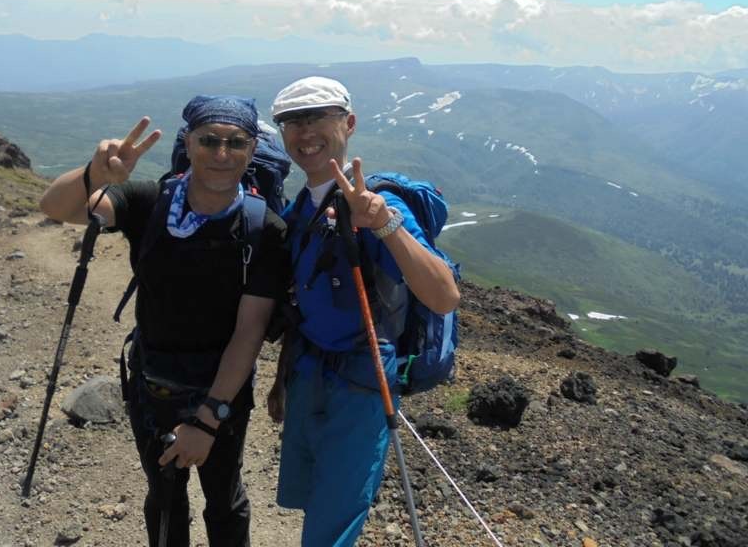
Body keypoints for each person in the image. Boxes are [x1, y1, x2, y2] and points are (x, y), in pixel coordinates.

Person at [39, 96, 288, 547]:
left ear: (252, 150)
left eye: (236, 142)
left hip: (223, 394)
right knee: (165, 495)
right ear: (188, 143)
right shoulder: (149, 202)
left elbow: (249, 331)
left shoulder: (264, 230)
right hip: (151, 385)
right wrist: (95, 174)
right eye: (208, 140)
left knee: (224, 499)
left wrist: (208, 420)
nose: (221, 153)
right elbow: (56, 208)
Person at [266, 76, 460, 547]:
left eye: (317, 118)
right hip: (309, 374)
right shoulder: (300, 212)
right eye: (292, 122)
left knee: (335, 517)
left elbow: (443, 296)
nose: (304, 132)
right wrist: (280, 380)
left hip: (362, 380)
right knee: (314, 495)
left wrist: (383, 224)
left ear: (348, 124)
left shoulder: (379, 203)